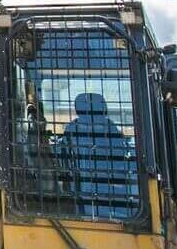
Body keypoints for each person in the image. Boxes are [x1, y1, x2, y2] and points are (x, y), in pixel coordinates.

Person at [54, 91, 137, 220]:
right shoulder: (110, 128)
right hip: (107, 185)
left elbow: (63, 159)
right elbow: (120, 157)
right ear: (103, 108)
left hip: (77, 185)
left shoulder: (71, 128)